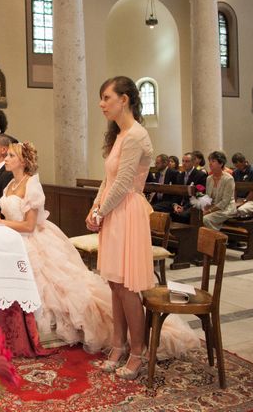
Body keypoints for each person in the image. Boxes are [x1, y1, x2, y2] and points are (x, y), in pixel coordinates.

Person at [0, 141, 199, 361]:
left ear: (23, 161)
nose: (7, 159)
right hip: (16, 239)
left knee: (57, 288)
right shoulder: (10, 185)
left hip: (33, 240)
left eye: (11, 155)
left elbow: (29, 226)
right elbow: (13, 217)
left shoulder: (31, 184)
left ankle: (120, 338)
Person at [86, 76, 197, 380]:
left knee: (128, 287)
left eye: (106, 97)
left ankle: (138, 350)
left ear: (125, 99)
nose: (101, 104)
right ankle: (118, 345)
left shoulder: (136, 135)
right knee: (114, 283)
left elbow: (123, 184)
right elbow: (107, 180)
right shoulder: (120, 135)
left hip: (127, 211)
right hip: (113, 211)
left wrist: (100, 211)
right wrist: (94, 208)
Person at [202, 151, 237, 230]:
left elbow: (225, 201)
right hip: (213, 207)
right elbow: (208, 197)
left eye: (213, 161)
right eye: (209, 161)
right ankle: (205, 240)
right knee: (196, 216)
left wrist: (208, 211)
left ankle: (219, 239)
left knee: (206, 219)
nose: (210, 163)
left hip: (226, 208)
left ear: (221, 164)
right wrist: (204, 208)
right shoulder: (209, 178)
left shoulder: (228, 179)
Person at [172, 152, 207, 223]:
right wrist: (175, 204)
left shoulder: (200, 175)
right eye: (183, 161)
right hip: (180, 204)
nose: (184, 163)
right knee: (167, 212)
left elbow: (199, 195)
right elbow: (176, 193)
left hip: (192, 205)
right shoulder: (180, 175)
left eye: (187, 161)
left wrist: (184, 208)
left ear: (193, 162)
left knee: (181, 215)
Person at [231, 153, 253, 218]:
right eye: (236, 166)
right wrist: (234, 201)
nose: (238, 168)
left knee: (240, 210)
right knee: (227, 209)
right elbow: (235, 188)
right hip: (239, 199)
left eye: (239, 166)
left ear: (244, 162)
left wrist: (244, 201)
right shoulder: (236, 172)